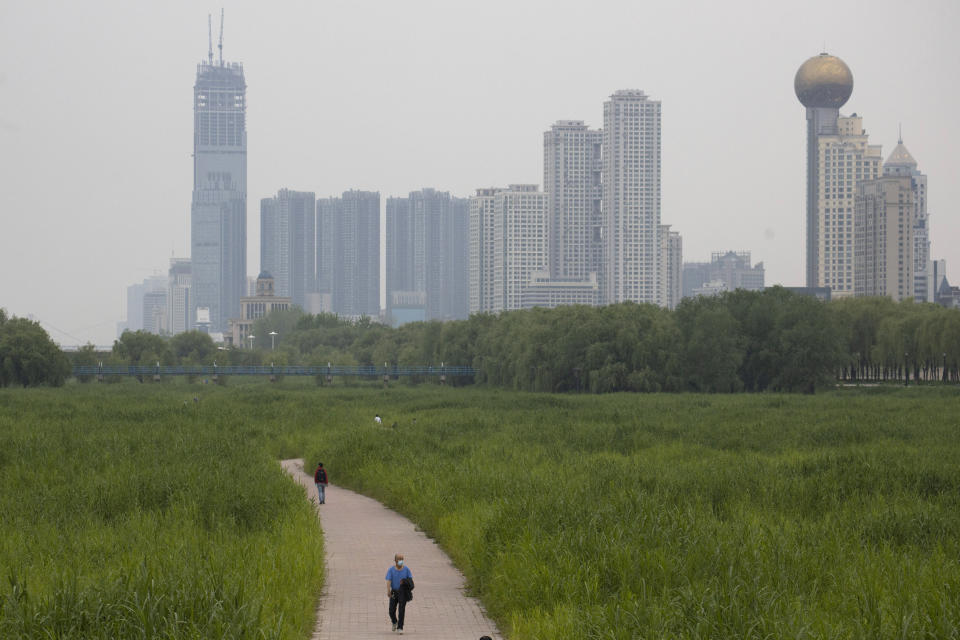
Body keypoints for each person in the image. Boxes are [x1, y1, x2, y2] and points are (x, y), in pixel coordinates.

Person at [385, 553, 412, 634]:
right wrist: (388, 590)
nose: (401, 561)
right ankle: (394, 621)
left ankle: (400, 627)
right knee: (391, 611)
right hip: (394, 592)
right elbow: (388, 580)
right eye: (399, 559)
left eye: (402, 559)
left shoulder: (406, 569)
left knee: (401, 610)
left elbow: (410, 580)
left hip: (403, 593)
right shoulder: (391, 570)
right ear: (395, 560)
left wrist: (406, 583)